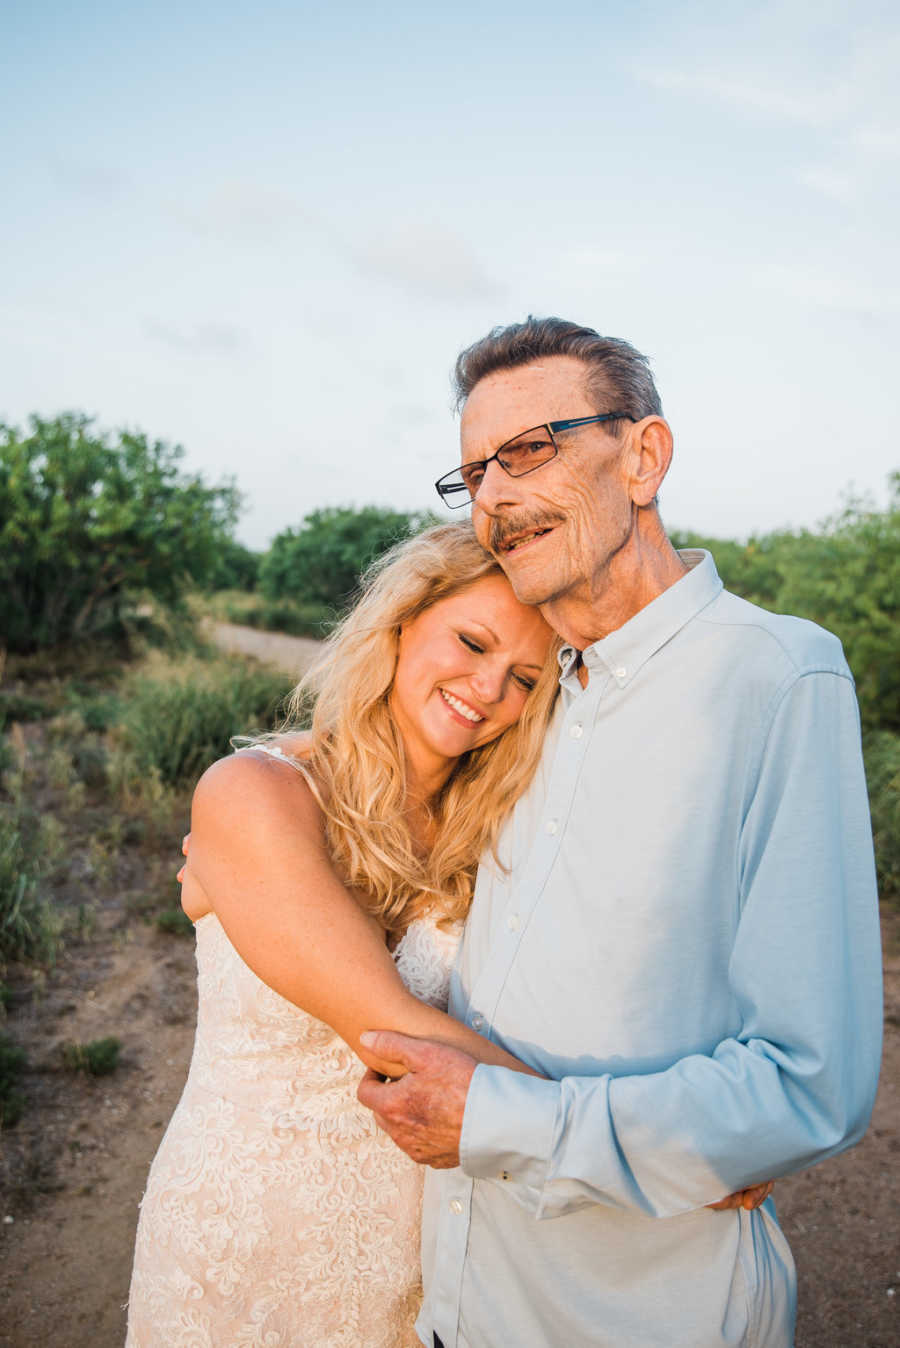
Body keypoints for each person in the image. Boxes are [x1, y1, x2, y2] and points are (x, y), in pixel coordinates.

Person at [357, 318, 883, 1348]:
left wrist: (502, 1122)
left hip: (641, 1311)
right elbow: (373, 746)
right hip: (462, 1305)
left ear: (643, 456)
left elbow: (810, 1082)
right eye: (473, 474)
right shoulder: (522, 693)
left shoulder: (776, 677)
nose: (496, 497)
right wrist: (252, 809)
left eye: (529, 450)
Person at [125, 521, 561, 1347]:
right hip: (238, 1249)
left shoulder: (502, 830)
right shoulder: (254, 793)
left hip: (422, 1260)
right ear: (401, 622)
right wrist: (647, 1142)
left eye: (525, 680)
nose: (488, 687)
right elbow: (385, 1029)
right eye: (471, 642)